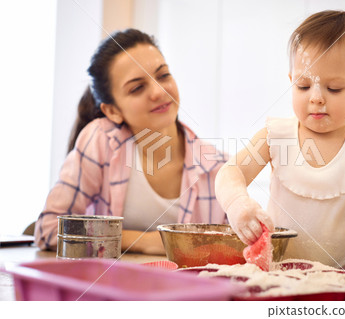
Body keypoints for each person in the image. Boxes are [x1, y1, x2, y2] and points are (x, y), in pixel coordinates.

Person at [215, 10, 345, 272]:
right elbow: (230, 172)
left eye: (334, 88)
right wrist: (237, 204)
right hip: (279, 272)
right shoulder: (275, 136)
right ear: (291, 81)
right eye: (303, 86)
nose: (315, 97)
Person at [35, 29, 227, 254]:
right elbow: (49, 230)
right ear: (113, 111)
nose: (158, 91)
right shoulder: (100, 142)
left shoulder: (218, 168)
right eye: (137, 88)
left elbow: (234, 252)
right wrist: (147, 241)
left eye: (163, 75)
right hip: (109, 286)